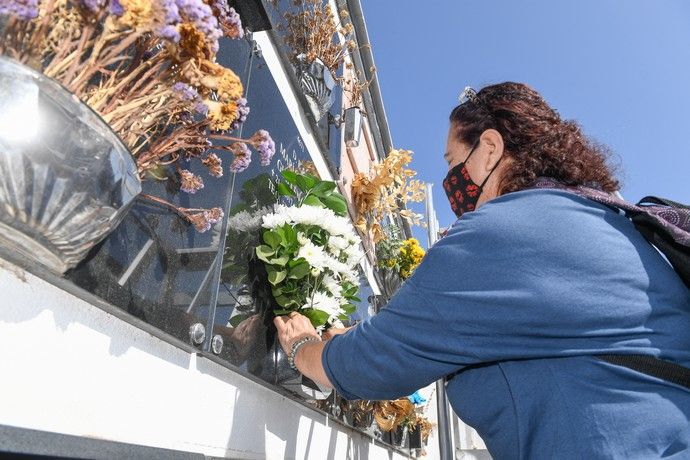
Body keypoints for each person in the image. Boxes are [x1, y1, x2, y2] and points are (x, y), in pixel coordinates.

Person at [274, 82, 690, 459]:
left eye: (455, 161)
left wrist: (303, 348)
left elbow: (369, 363)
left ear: (490, 147)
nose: (452, 181)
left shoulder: (505, 233)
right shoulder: (603, 218)